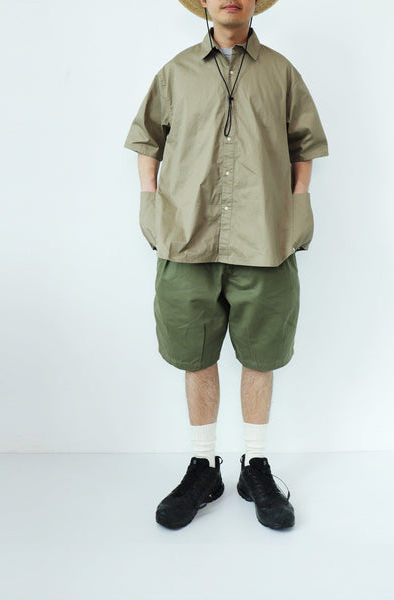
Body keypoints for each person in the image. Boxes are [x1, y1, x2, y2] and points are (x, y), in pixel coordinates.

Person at [123, 0, 329, 530]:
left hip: (265, 238)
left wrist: (297, 204)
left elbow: (305, 144)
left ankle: (255, 465)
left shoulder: (282, 72)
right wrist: (149, 201)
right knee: (195, 355)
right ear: (204, 3)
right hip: (187, 236)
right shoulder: (175, 72)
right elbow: (147, 138)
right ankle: (203, 467)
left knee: (262, 355)